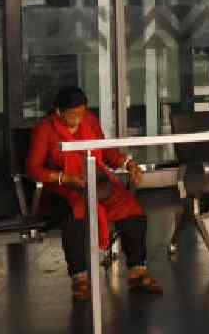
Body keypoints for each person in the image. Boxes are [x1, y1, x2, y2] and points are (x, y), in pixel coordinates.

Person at [26, 86, 162, 300]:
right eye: (73, 114)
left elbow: (106, 151)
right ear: (59, 112)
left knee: (131, 209)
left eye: (81, 112)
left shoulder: (90, 120)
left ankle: (137, 271)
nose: (78, 118)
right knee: (76, 214)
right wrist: (65, 178)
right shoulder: (45, 129)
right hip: (62, 186)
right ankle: (80, 279)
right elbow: (33, 169)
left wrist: (128, 164)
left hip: (96, 180)